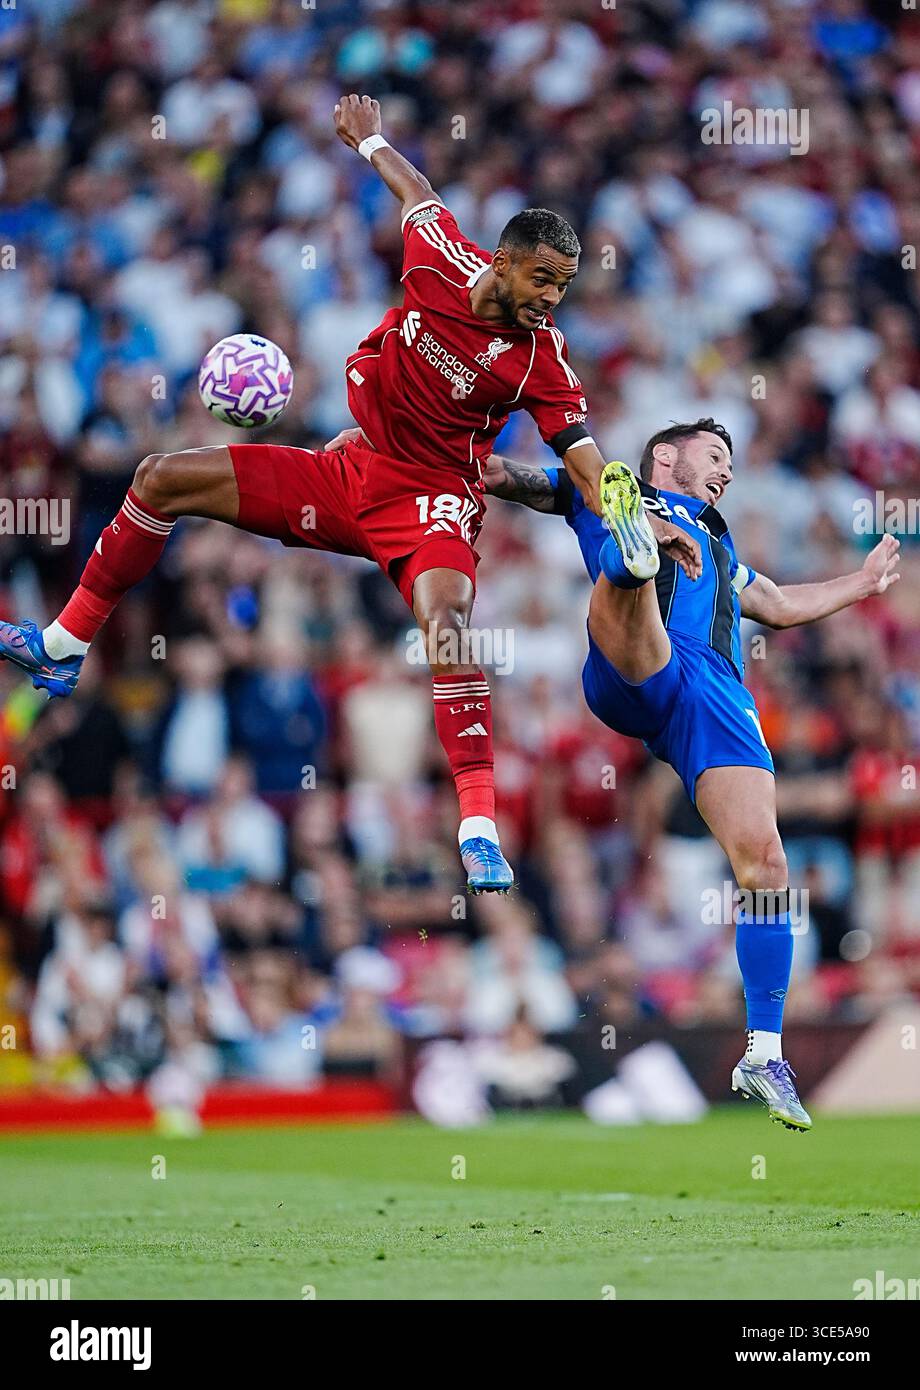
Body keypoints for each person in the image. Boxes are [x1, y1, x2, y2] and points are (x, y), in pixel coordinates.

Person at [0, 93, 696, 895]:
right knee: (161, 479)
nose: (551, 299)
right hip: (349, 475)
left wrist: (625, 507)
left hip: (433, 502)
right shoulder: (439, 257)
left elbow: (578, 451)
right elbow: (418, 191)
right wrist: (369, 141)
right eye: (542, 279)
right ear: (501, 262)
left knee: (447, 623)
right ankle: (62, 647)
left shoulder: (541, 358)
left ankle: (477, 827)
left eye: (564, 287)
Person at [485, 418, 901, 1129]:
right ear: (666, 457)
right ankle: (632, 555)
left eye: (733, 464)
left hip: (714, 694)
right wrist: (388, 454)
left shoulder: (719, 539)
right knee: (633, 575)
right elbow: (495, 473)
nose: (728, 473)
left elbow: (775, 603)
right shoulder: (593, 483)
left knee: (766, 866)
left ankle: (763, 1051)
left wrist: (860, 584)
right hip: (637, 660)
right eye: (717, 457)